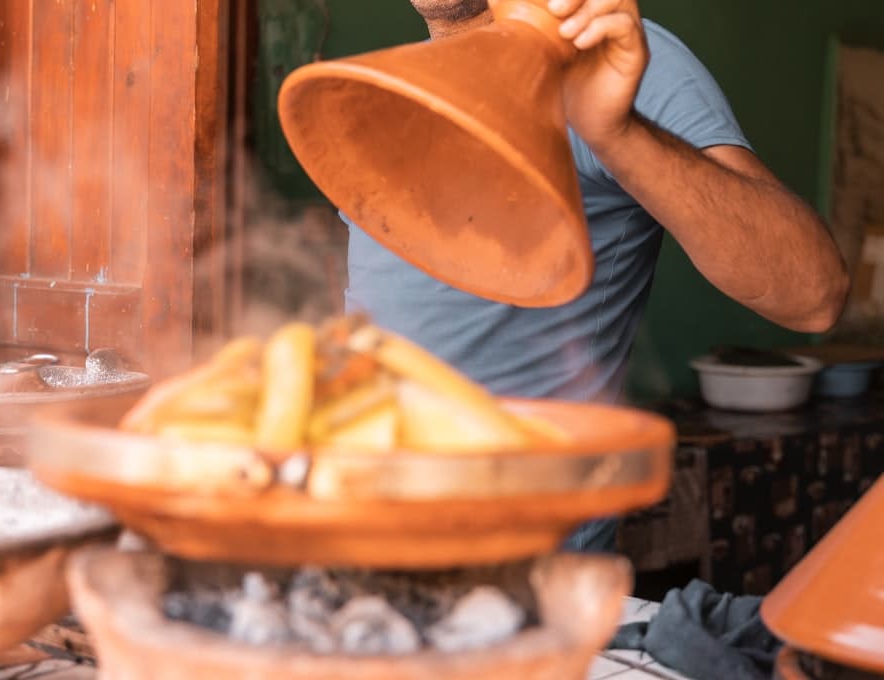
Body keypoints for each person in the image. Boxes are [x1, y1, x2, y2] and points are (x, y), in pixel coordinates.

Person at [341, 0, 851, 552]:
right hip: (359, 521)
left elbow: (813, 296)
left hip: (525, 555)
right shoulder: (387, 81)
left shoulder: (605, 54)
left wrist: (618, 131)